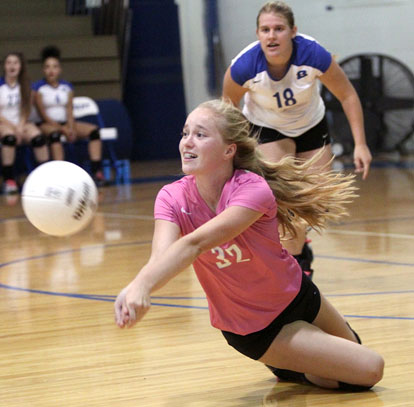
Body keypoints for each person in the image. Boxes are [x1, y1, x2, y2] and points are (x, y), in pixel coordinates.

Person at [114, 98, 384, 391]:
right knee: (370, 369)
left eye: (200, 135)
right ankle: (289, 365)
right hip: (255, 327)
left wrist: (141, 286)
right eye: (185, 133)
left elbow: (195, 243)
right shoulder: (171, 198)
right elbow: (163, 256)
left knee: (354, 354)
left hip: (297, 295)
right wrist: (137, 287)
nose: (187, 142)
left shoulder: (252, 188)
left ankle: (293, 361)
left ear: (229, 149)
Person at [222, 1, 372, 278]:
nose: (271, 35)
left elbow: (348, 95)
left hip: (311, 125)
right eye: (265, 30)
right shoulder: (244, 66)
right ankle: (293, 262)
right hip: (266, 127)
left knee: (311, 203)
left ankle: (300, 249)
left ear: (293, 31)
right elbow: (228, 106)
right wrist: (237, 150)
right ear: (257, 34)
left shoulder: (313, 54)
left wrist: (360, 143)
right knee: (281, 200)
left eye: (278, 29)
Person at [32, 45, 106, 186]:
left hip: (66, 122)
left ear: (60, 69)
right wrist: (62, 129)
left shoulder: (67, 87)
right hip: (47, 124)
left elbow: (69, 110)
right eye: (47, 67)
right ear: (43, 70)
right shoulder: (38, 88)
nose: (51, 70)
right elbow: (43, 114)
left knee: (94, 132)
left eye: (54, 66)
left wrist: (71, 128)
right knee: (55, 136)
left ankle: (97, 172)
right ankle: (61, 175)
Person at [0, 52, 49, 194]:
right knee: (10, 137)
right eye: (9, 63)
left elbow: (26, 109)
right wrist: (14, 127)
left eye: (15, 63)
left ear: (21, 66)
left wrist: (20, 126)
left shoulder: (26, 85)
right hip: (4, 123)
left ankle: (45, 178)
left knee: (38, 138)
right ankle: (9, 180)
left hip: (21, 122)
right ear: (4, 66)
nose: (12, 66)